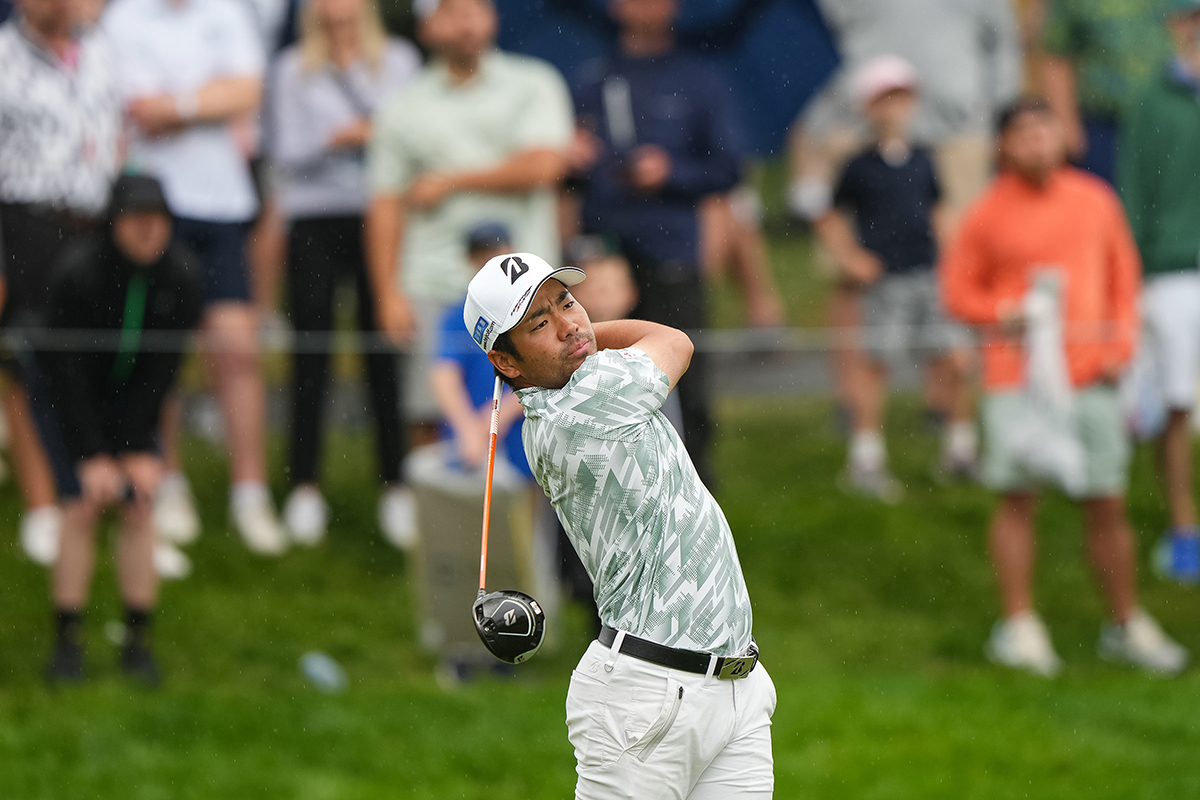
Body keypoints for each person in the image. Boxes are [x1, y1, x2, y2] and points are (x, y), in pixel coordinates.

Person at [465, 252, 773, 798]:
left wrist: (572, 338)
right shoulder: (583, 402)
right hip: (647, 702)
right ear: (506, 362)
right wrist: (587, 337)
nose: (568, 323)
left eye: (567, 303)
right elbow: (674, 340)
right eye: (539, 324)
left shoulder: (578, 387)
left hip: (733, 686)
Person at [941, 98, 1189, 677]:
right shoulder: (984, 214)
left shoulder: (1095, 200)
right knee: (1018, 498)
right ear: (1004, 146)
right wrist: (1006, 312)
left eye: (1044, 129)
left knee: (1106, 500)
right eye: (1023, 133)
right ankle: (1020, 625)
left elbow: (1124, 279)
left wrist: (1118, 348)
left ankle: (1125, 623)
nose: (1036, 141)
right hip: (1014, 380)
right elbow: (958, 292)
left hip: (1092, 375)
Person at [102, 0, 288, 556]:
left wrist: (176, 106)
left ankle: (249, 493)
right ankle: (166, 483)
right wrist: (205, 99)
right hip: (148, 208)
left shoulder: (227, 12)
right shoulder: (122, 17)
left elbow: (244, 93)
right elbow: (132, 104)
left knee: (236, 349)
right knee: (159, 354)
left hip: (221, 205)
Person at [789, 0, 1020, 437]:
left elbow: (1002, 41)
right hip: (853, 127)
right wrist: (816, 118)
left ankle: (946, 406)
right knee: (852, 276)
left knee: (950, 271)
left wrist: (998, 120)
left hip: (959, 133)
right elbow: (811, 37)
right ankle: (854, 405)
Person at [365, 0, 573, 451]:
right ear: (426, 27)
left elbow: (545, 165)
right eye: (452, 11)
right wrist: (387, 293)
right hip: (434, 281)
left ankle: (529, 523)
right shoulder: (403, 106)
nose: (467, 22)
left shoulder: (534, 83)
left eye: (477, 9)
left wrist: (451, 180)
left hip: (526, 289)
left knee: (539, 413)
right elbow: (384, 205)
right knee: (430, 414)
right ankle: (438, 518)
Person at [569, 0, 741, 488]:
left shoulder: (699, 77)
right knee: (598, 376)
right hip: (603, 257)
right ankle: (614, 489)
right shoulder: (592, 78)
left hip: (671, 253)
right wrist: (576, 159)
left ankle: (695, 491)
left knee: (683, 376)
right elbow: (572, 173)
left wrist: (670, 172)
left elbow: (727, 168)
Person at [269, 0, 421, 547]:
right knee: (311, 348)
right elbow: (284, 151)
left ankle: (396, 484)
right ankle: (305, 484)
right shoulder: (292, 66)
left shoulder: (399, 60)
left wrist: (369, 136)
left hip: (379, 214)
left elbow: (409, 137)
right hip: (312, 218)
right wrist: (342, 138)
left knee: (384, 342)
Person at [40, 175, 203, 684]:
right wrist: (91, 453)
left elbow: (163, 371)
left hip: (133, 398)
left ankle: (137, 639)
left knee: (139, 501)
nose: (148, 232)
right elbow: (64, 374)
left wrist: (136, 447)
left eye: (158, 221)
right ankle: (67, 640)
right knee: (82, 504)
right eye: (136, 220)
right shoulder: (77, 274)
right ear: (114, 223)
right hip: (67, 396)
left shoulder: (182, 276)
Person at [814, 56, 976, 501]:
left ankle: (961, 449)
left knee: (953, 358)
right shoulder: (859, 165)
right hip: (885, 281)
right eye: (885, 98)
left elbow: (939, 209)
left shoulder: (924, 158)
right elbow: (827, 215)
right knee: (876, 364)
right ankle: (866, 458)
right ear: (868, 106)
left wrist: (952, 258)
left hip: (928, 273)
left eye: (901, 97)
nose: (895, 108)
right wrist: (851, 258)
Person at [0, 0, 122, 567]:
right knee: (28, 367)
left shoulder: (101, 50)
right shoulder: (3, 58)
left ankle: (105, 502)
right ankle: (43, 505)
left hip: (97, 226)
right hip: (26, 223)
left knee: (99, 365)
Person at [1119, 0, 1200, 584]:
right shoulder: (1151, 104)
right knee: (1176, 407)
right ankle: (1183, 529)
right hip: (1172, 275)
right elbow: (1134, 194)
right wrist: (1136, 280)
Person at [1040, 0, 1175, 184]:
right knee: (1104, 201)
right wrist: (1065, 124)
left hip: (1171, 122)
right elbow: (1057, 54)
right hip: (1102, 125)